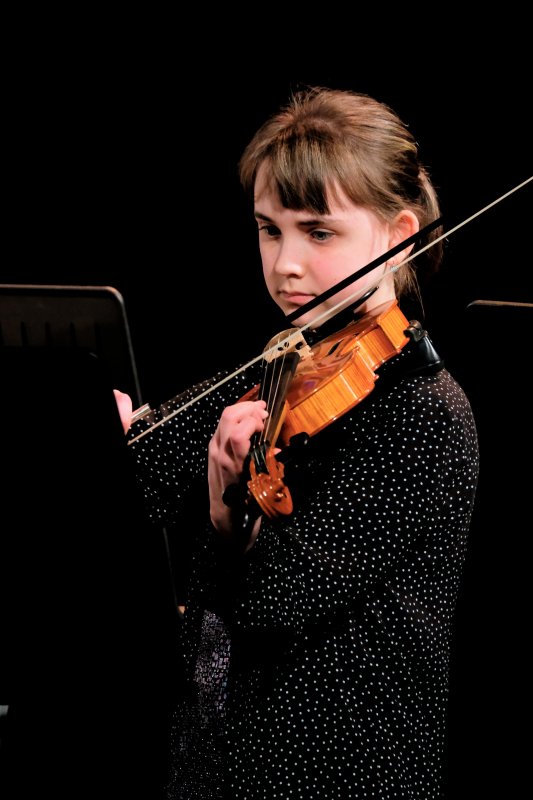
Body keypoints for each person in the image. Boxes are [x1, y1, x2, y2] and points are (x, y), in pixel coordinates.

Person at [116, 86, 479, 799]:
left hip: (336, 765)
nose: (284, 264)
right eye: (268, 229)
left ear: (399, 234)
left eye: (317, 233)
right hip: (228, 758)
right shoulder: (291, 361)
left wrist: (226, 519)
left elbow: (275, 602)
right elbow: (143, 473)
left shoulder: (423, 413)